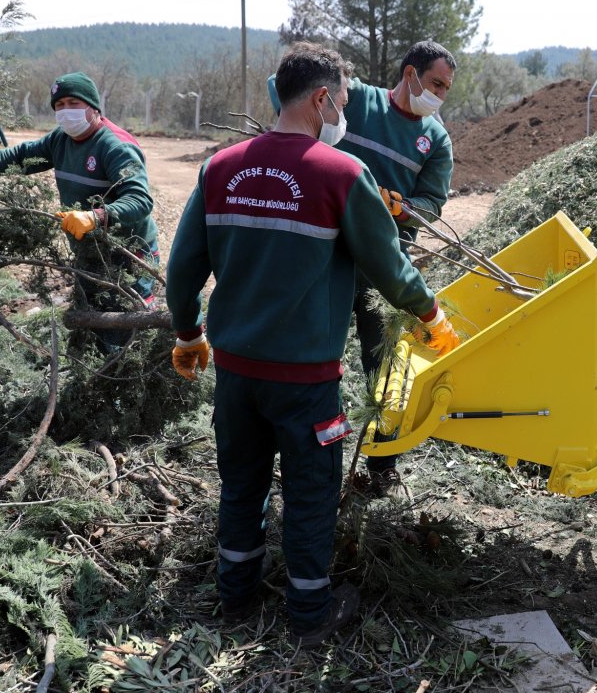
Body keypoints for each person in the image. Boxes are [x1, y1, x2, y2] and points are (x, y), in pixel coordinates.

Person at [167, 41, 460, 647]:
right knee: (310, 494)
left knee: (242, 485)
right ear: (322, 99)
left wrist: (188, 332)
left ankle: (236, 596)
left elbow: (182, 268)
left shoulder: (220, 168)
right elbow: (389, 268)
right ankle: (309, 614)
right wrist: (432, 314)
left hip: (237, 376)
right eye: (344, 103)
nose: (345, 115)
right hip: (304, 384)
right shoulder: (343, 173)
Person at [270, 40, 456, 496]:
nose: (439, 95)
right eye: (435, 83)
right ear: (409, 74)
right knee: (316, 353)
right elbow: (287, 92)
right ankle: (304, 446)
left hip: (383, 267)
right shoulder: (361, 102)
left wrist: (403, 207)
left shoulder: (436, 139)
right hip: (328, 254)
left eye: (446, 89)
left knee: (385, 363)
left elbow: (432, 205)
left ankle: (382, 460)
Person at [0, 73, 159, 350]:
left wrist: (95, 216)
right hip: (89, 252)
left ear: (93, 106)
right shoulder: (60, 140)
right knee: (93, 321)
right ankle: (96, 378)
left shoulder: (115, 146)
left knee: (126, 327)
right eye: (59, 105)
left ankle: (125, 381)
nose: (65, 111)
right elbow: (20, 156)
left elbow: (140, 200)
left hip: (128, 255)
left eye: (73, 102)